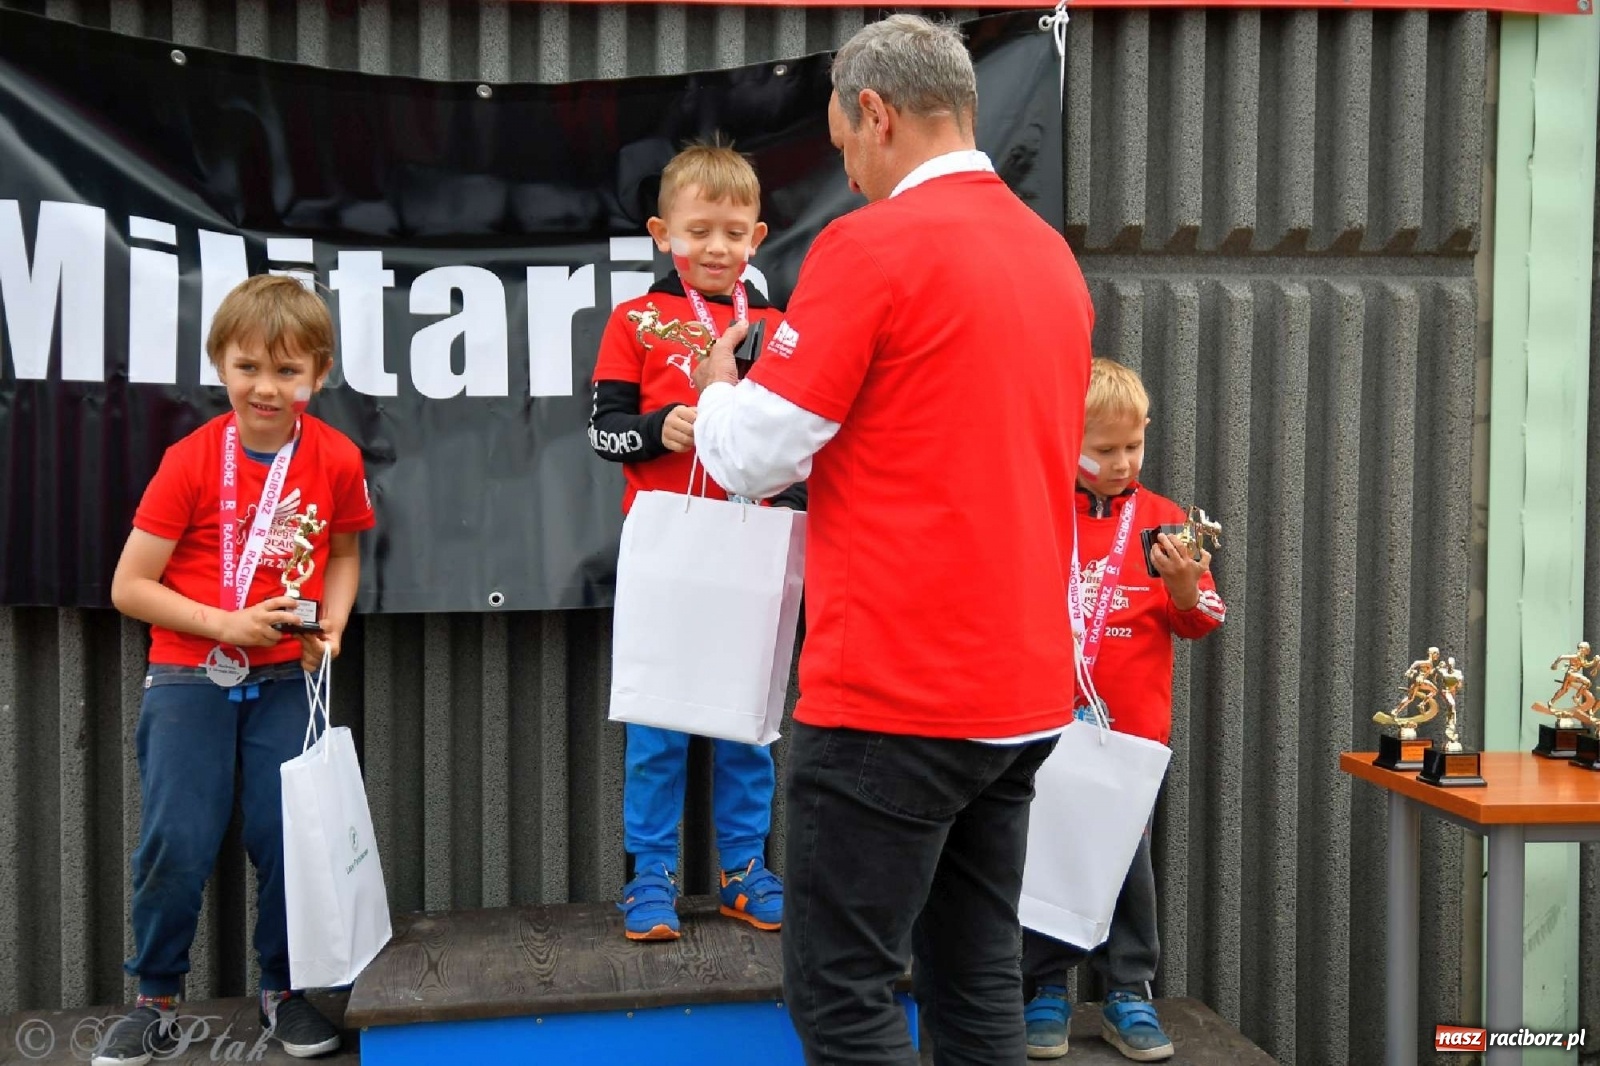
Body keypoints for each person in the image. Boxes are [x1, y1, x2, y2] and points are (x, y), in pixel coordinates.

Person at [690, 14, 1094, 1064]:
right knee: (975, 989)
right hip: (1017, 694)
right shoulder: (1048, 254)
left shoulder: (867, 246)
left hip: (892, 697)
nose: (849, 171)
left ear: (875, 112)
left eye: (842, 145)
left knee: (843, 998)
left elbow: (753, 457)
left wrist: (721, 383)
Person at [100, 274, 373, 1064]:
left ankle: (283, 991)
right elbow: (129, 587)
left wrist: (336, 622)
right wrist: (226, 624)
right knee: (175, 838)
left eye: (287, 371)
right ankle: (154, 998)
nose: (266, 386)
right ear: (221, 363)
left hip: (288, 676)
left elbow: (347, 552)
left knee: (289, 835)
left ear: (317, 376)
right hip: (189, 677)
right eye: (248, 366)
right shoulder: (189, 462)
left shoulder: (337, 457)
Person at [588, 140, 795, 941]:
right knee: (658, 725)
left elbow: (797, 442)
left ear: (758, 236)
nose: (716, 247)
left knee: (750, 721)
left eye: (733, 231)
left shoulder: (780, 331)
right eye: (699, 229)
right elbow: (601, 432)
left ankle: (746, 869)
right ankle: (652, 878)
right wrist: (656, 430)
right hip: (664, 547)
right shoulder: (632, 320)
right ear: (660, 232)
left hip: (753, 543)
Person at [1020, 358, 1226, 1062]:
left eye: (1132, 447)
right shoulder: (1038, 509)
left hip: (1127, 733)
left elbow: (1202, 622)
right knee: (1043, 853)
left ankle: (1128, 990)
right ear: (1063, 439)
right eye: (1102, 449)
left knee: (1124, 854)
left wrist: (1186, 586)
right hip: (1042, 722)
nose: (1120, 462)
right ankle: (1043, 987)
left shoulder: (1165, 520)